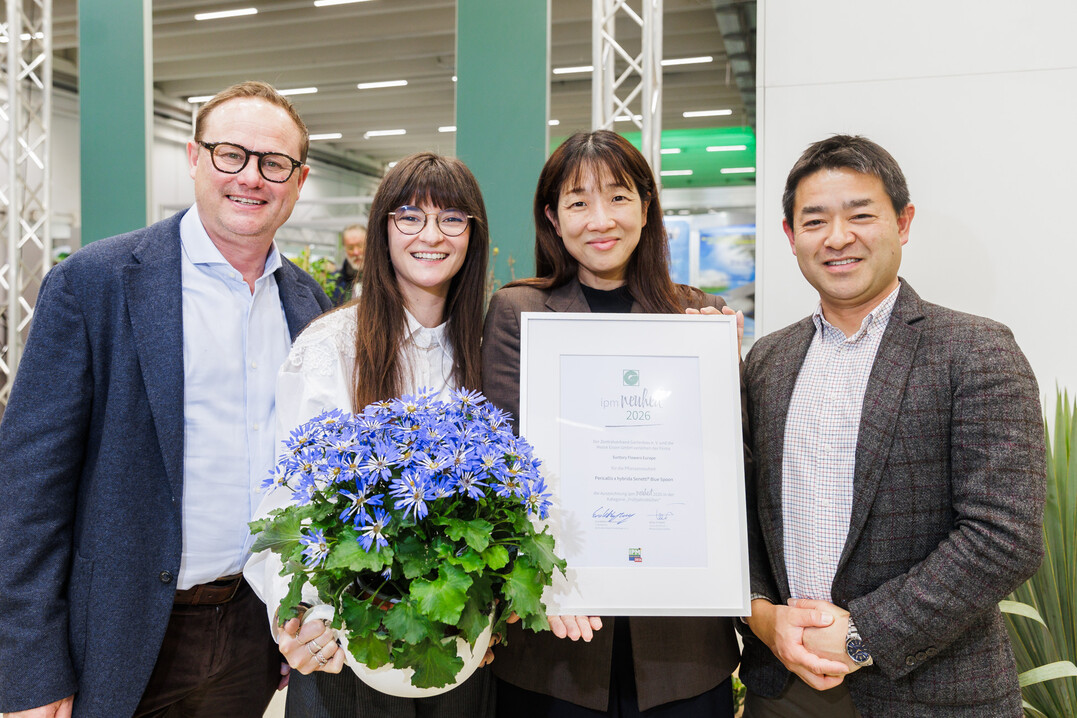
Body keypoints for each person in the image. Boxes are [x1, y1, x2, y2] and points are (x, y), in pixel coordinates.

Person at [0, 81, 332, 718]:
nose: (251, 178)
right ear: (194, 157)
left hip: (253, 632)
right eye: (230, 154)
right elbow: (28, 490)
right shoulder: (96, 283)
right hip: (123, 634)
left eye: (274, 163)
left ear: (298, 179)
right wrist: (31, 668)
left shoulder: (307, 305)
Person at [739, 135, 1046, 717]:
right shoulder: (768, 360)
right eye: (815, 220)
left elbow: (1005, 535)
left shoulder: (976, 350)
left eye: (861, 215)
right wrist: (764, 614)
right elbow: (748, 514)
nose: (837, 237)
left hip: (928, 690)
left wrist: (862, 636)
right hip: (782, 686)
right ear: (790, 236)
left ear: (902, 223)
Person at [481, 129, 741, 717]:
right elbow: (502, 465)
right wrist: (543, 577)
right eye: (577, 202)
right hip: (558, 637)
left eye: (619, 197)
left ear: (647, 207)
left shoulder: (694, 313)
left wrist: (726, 373)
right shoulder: (519, 312)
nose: (600, 219)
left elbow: (723, 463)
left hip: (681, 642)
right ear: (553, 218)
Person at [244, 152, 494, 717]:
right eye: (409, 216)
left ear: (473, 235)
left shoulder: (487, 346)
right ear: (383, 229)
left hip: (462, 654)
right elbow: (287, 499)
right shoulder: (332, 345)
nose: (431, 235)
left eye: (452, 219)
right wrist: (300, 617)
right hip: (351, 646)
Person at [330, 223, 366, 305]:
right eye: (350, 248)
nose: (356, 252)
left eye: (360, 246)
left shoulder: (383, 279)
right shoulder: (334, 283)